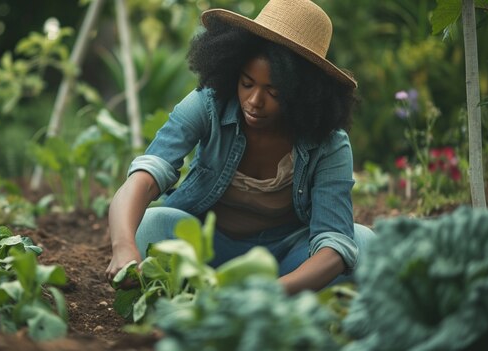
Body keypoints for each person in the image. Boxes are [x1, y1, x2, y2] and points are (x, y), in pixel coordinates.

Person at [105, 0, 375, 295]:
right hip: (204, 252)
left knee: (362, 245)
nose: (254, 101)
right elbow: (146, 175)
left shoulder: (329, 143)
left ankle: (264, 297)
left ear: (304, 94)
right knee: (154, 223)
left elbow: (333, 241)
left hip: (286, 262)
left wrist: (267, 294)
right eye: (247, 83)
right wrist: (123, 247)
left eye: (273, 92)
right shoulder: (207, 105)